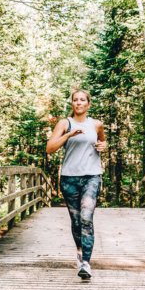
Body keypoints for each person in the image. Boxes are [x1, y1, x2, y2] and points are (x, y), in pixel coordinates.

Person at [46, 89, 107, 279]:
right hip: (69, 178)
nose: (79, 103)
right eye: (75, 100)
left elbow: (102, 143)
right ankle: (80, 252)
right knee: (76, 220)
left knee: (86, 217)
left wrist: (103, 146)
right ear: (71, 104)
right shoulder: (65, 123)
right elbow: (50, 149)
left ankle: (86, 263)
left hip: (92, 176)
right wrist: (68, 135)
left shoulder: (96, 124)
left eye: (82, 100)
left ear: (88, 104)